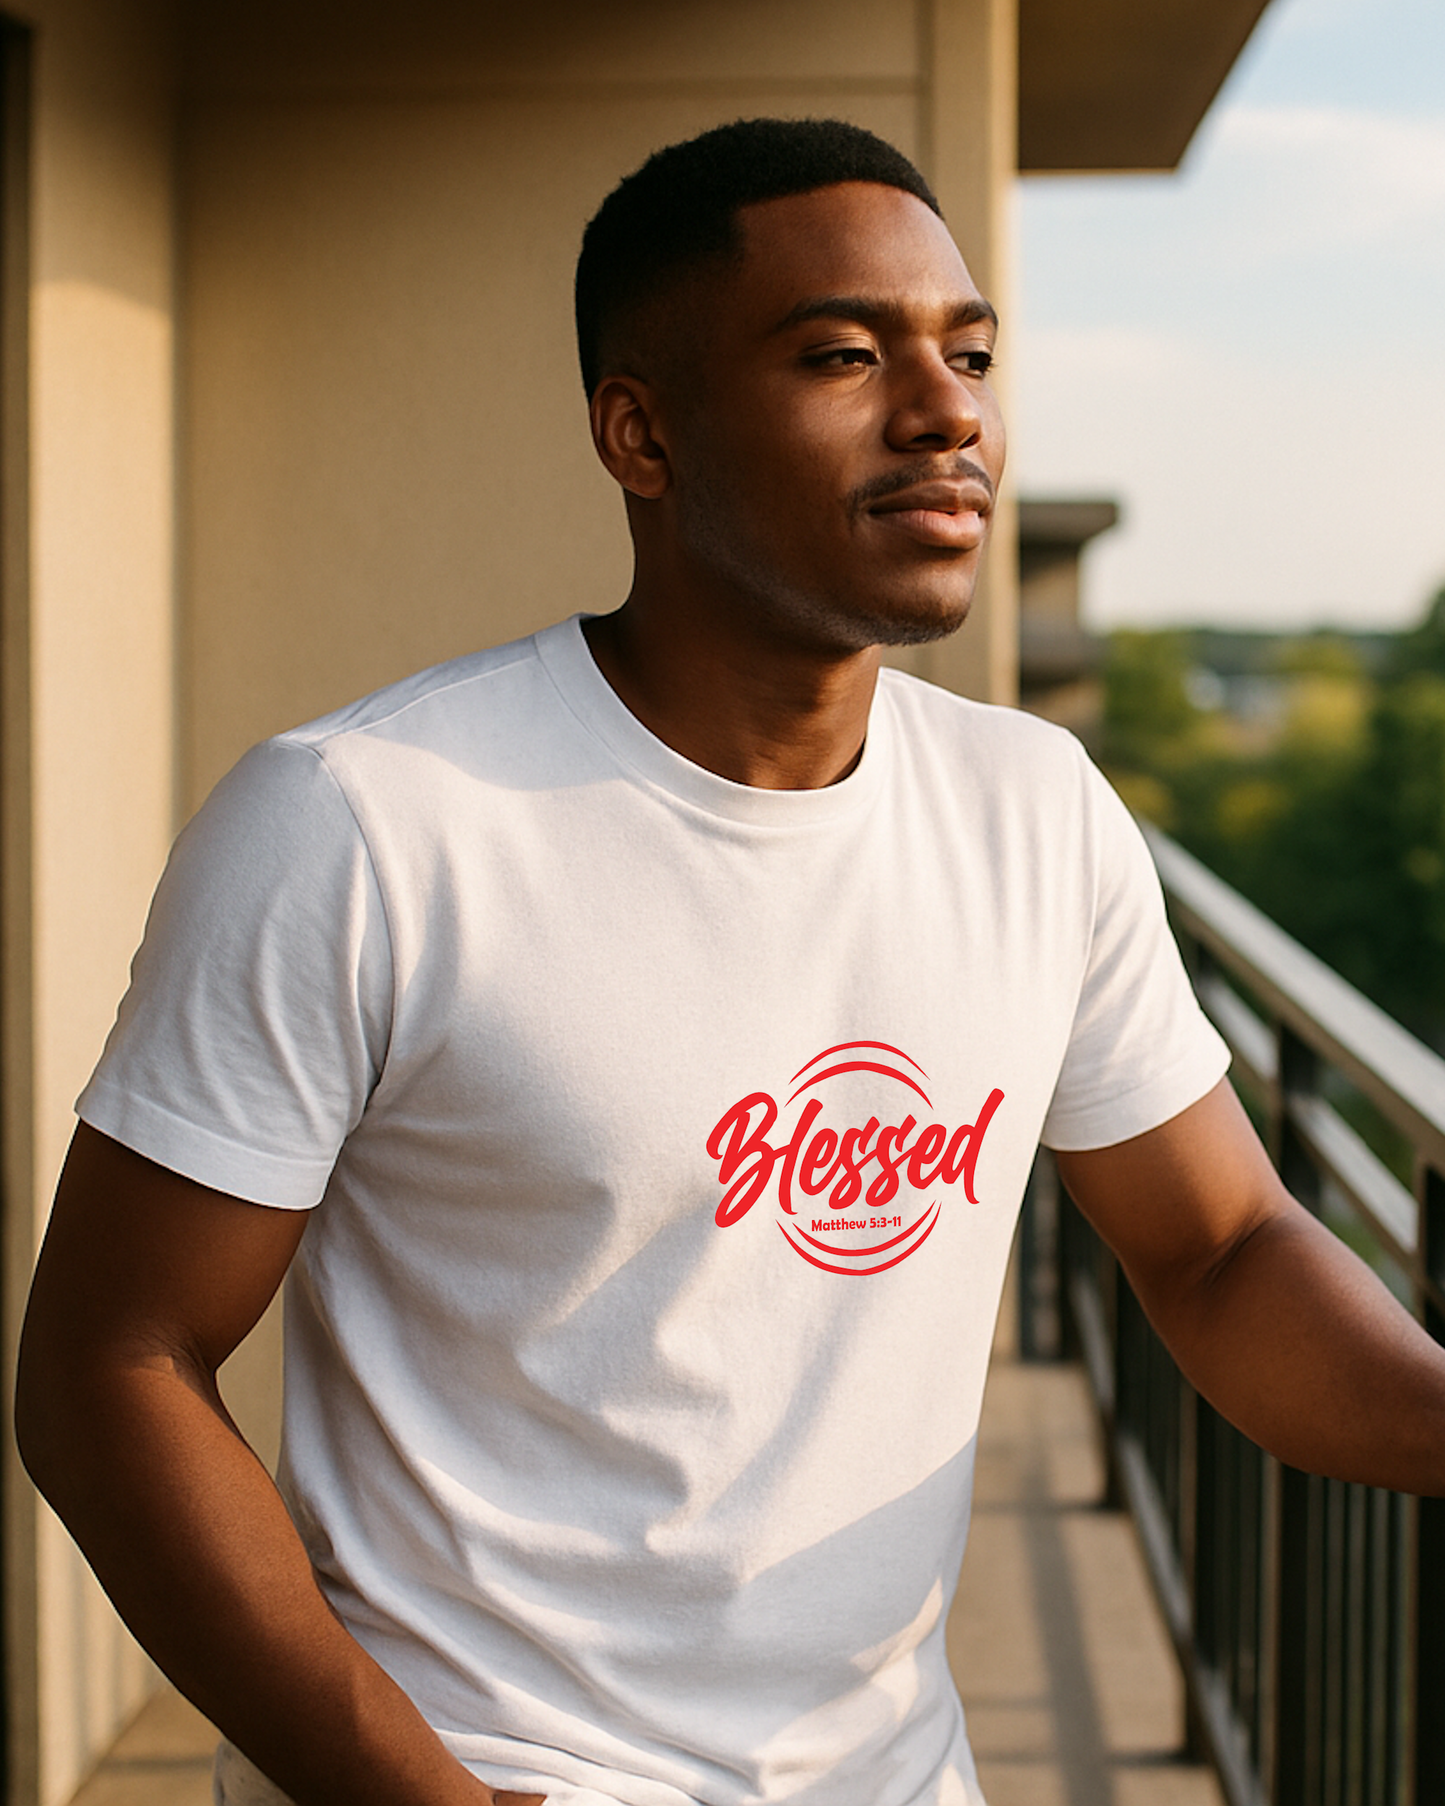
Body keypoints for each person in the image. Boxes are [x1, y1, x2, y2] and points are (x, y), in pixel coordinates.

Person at [15, 117, 1445, 1806]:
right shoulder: (368, 823)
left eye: (968, 352)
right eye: (844, 352)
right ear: (644, 431)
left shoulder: (1034, 810)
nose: (946, 412)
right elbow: (110, 1364)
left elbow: (1219, 1247)